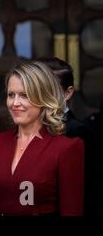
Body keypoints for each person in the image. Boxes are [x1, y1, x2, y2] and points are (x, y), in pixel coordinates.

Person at [0, 61, 84, 216]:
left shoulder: (66, 148)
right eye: (11, 95)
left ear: (43, 98)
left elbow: (71, 210)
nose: (15, 103)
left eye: (24, 95)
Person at [39, 57, 99, 215]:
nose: (40, 95)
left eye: (49, 89)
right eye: (37, 88)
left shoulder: (77, 132)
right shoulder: (28, 128)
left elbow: (87, 190)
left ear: (67, 93)